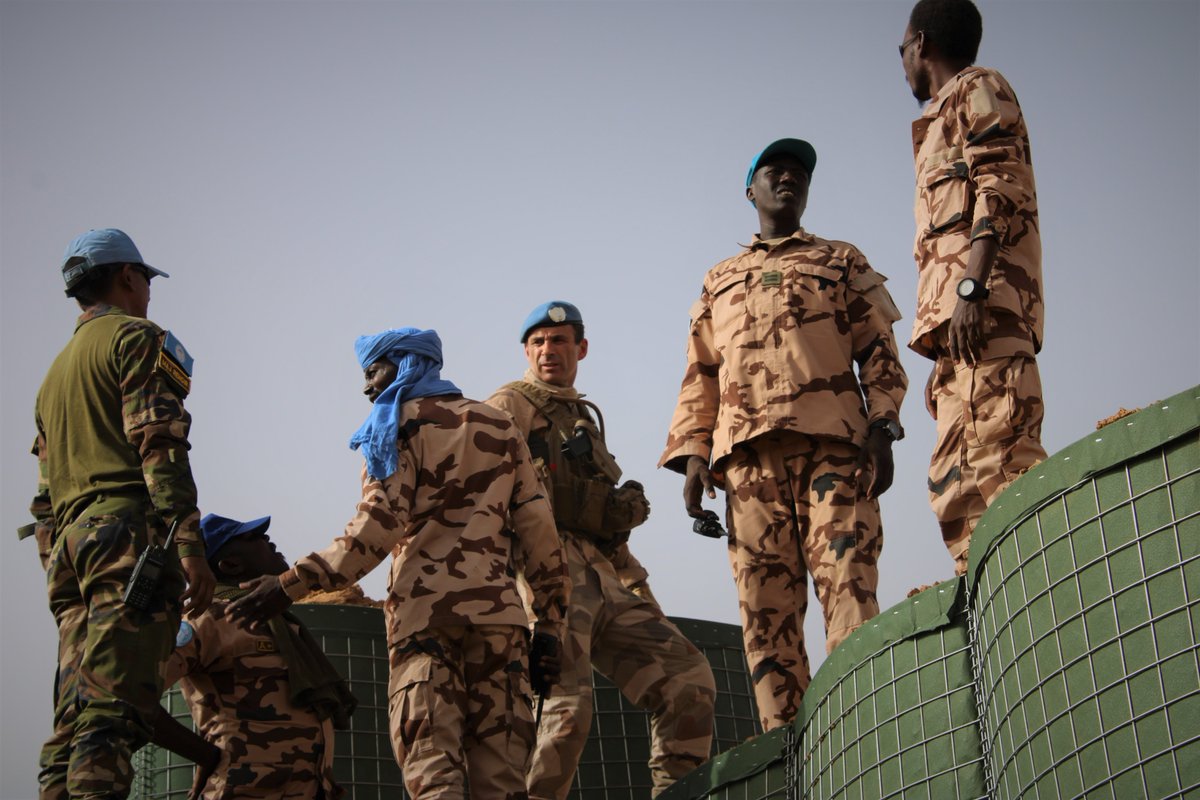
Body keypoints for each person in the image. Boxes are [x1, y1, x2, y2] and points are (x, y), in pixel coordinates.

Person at [226, 328, 570, 800]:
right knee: (505, 782)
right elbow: (541, 533)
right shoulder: (499, 426)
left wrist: (289, 584)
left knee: (433, 773)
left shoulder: (394, 427)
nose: (367, 387)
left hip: (424, 623)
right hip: (500, 626)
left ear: (406, 363)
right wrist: (549, 626)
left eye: (374, 371)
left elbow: (378, 526)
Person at [660, 141, 909, 731]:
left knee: (848, 591)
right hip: (746, 466)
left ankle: (862, 738)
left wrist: (883, 426)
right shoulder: (718, 278)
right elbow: (702, 371)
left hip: (834, 451)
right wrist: (693, 452)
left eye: (799, 173)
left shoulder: (841, 259)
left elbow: (879, 351)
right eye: (774, 172)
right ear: (752, 190)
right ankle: (788, 756)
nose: (788, 178)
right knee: (765, 617)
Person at [487, 301, 716, 799]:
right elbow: (483, 498)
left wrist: (639, 586)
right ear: (526, 351)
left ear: (581, 348)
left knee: (688, 677)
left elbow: (603, 524)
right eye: (540, 342)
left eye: (561, 340)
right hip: (543, 574)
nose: (550, 350)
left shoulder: (583, 419)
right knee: (564, 712)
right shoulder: (508, 406)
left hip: (601, 574)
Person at [21, 228, 215, 799]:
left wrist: (59, 571)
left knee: (73, 718)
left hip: (69, 553)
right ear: (127, 276)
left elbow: (42, 500)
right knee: (116, 707)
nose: (149, 292)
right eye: (146, 279)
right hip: (125, 541)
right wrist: (189, 543)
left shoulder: (52, 377)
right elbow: (159, 444)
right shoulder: (136, 339)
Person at [899, 0, 1047, 575]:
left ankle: (1044, 610)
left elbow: (1001, 184)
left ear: (922, 43)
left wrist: (970, 289)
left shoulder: (976, 88)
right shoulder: (937, 119)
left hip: (984, 318)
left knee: (1008, 472)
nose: (903, 62)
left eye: (902, 49)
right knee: (959, 493)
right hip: (956, 342)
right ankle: (997, 628)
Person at [150, 513, 355, 800]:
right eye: (253, 537)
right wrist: (209, 757)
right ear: (231, 564)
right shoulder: (207, 620)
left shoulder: (286, 627)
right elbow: (133, 695)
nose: (268, 540)